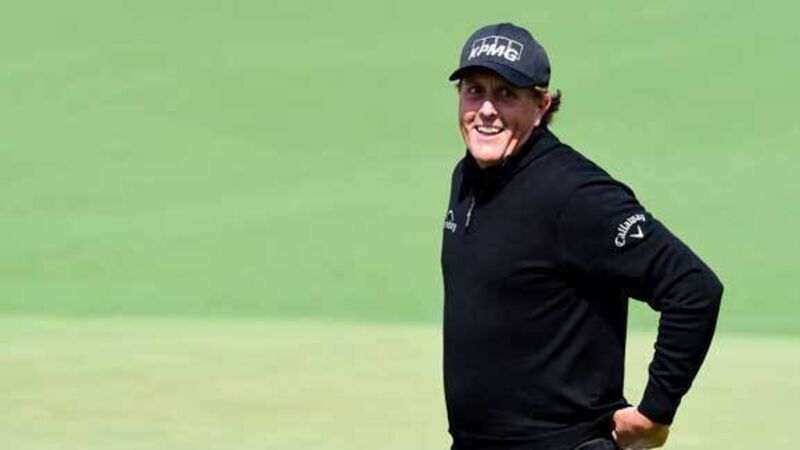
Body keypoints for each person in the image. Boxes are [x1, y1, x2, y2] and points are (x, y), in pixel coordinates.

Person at [440, 23, 723, 450]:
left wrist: (654, 413)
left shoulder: (575, 193)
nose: (486, 110)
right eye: (474, 91)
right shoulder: (466, 177)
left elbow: (693, 288)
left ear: (541, 105)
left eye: (506, 94)